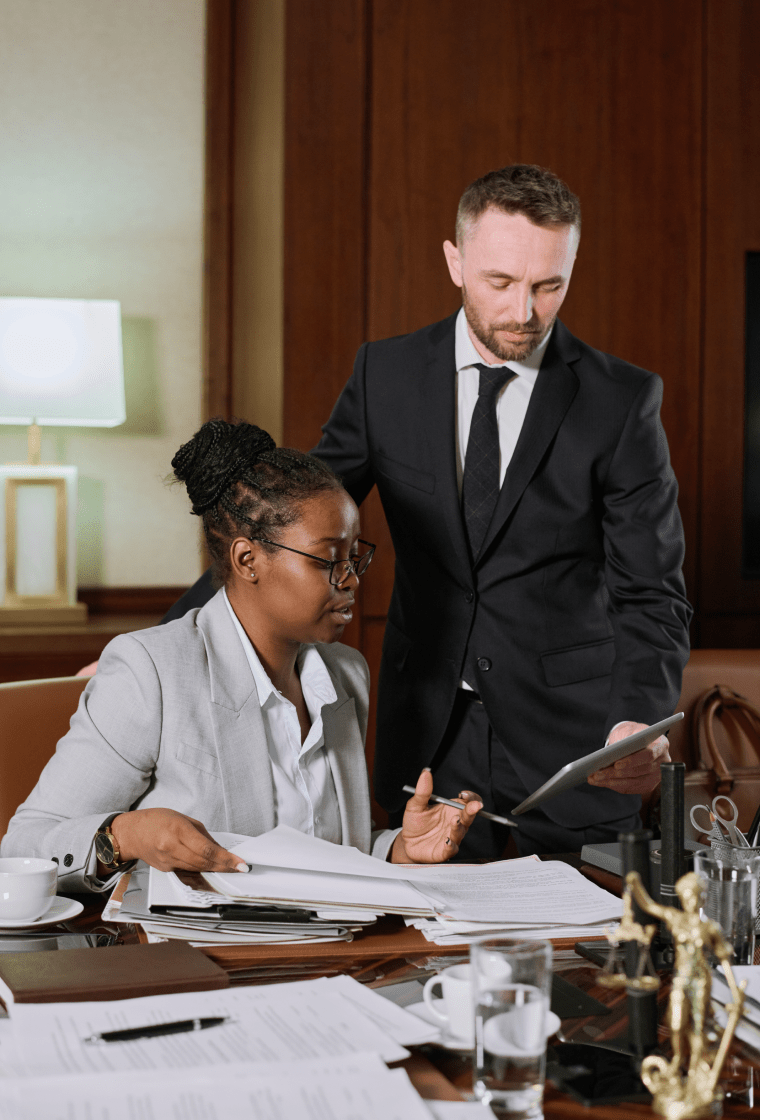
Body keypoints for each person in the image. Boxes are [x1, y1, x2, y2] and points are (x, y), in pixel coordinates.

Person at [148, 164, 694, 859]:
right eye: (500, 282)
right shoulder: (387, 376)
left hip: (573, 748)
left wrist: (635, 724)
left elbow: (653, 594)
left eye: (548, 284)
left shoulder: (621, 401)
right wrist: (168, 642)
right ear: (455, 261)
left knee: (572, 958)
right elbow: (279, 524)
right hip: (429, 736)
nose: (524, 312)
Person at [1, 420, 482, 892]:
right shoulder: (152, 670)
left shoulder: (345, 674)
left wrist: (398, 849)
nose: (352, 579)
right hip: (200, 957)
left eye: (355, 557)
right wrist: (125, 835)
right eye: (330, 559)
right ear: (247, 560)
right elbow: (24, 845)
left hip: (332, 953)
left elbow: (322, 850)